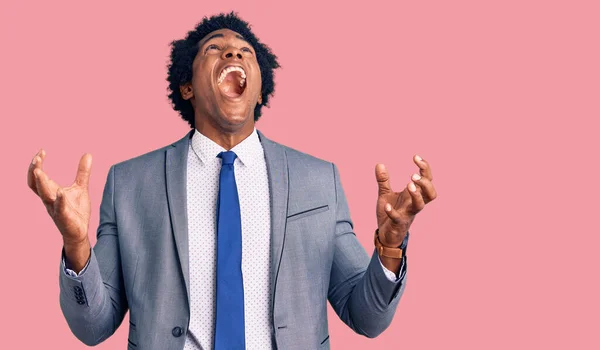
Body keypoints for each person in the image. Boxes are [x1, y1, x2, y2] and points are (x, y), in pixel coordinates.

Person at [27, 12, 437, 350]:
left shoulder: (319, 180)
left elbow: (366, 316)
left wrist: (391, 244)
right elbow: (93, 327)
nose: (232, 51)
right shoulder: (130, 183)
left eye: (245, 52)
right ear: (187, 86)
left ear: (260, 90)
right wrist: (77, 245)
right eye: (214, 49)